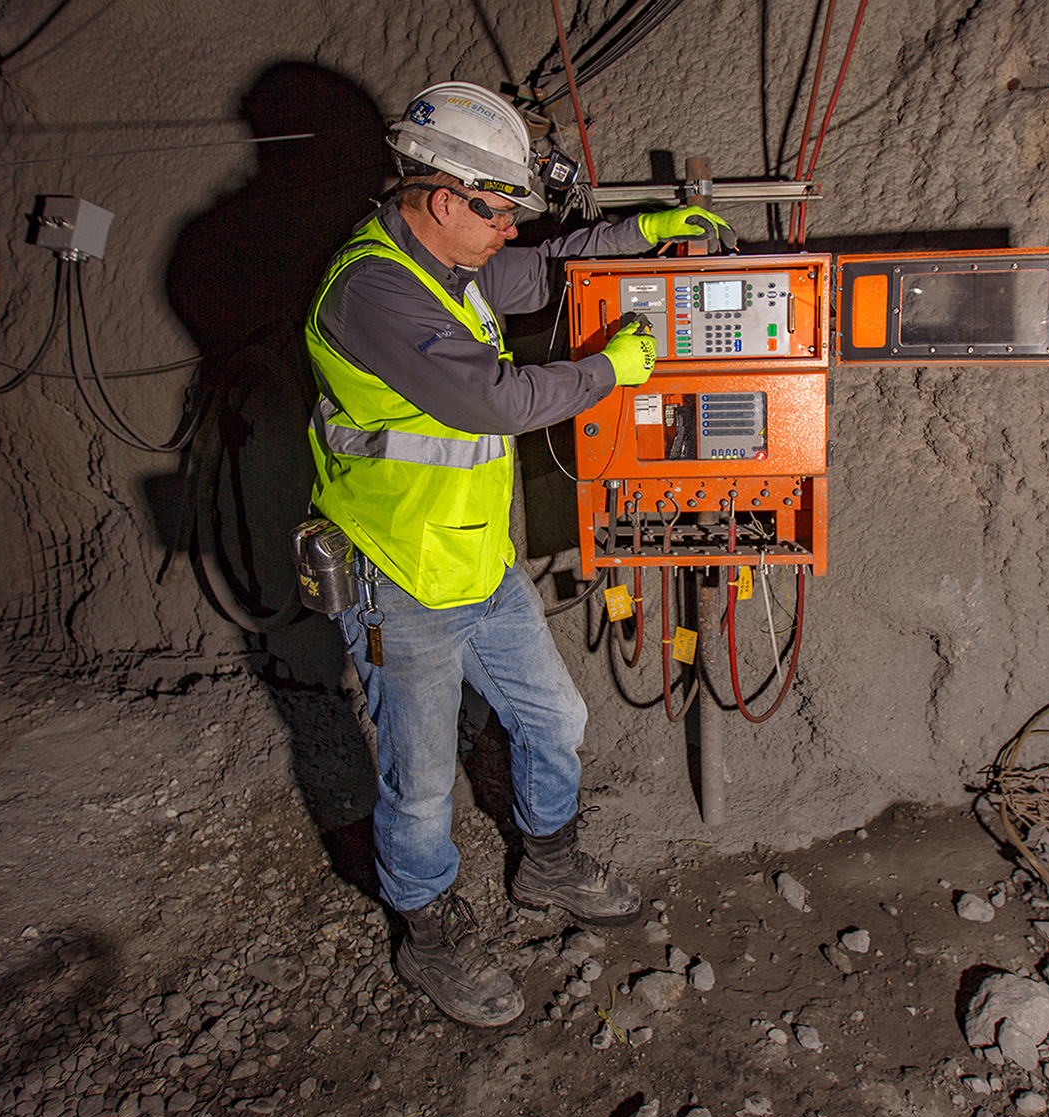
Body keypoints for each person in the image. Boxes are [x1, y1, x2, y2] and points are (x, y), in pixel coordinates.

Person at [303, 81, 734, 1028]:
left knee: (554, 718)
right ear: (442, 199)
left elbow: (541, 271)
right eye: (498, 212)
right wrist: (608, 371)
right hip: (398, 572)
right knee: (419, 783)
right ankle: (428, 933)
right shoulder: (376, 291)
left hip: (474, 559)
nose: (510, 230)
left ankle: (548, 864)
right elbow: (492, 403)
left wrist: (645, 232)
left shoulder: (445, 266)